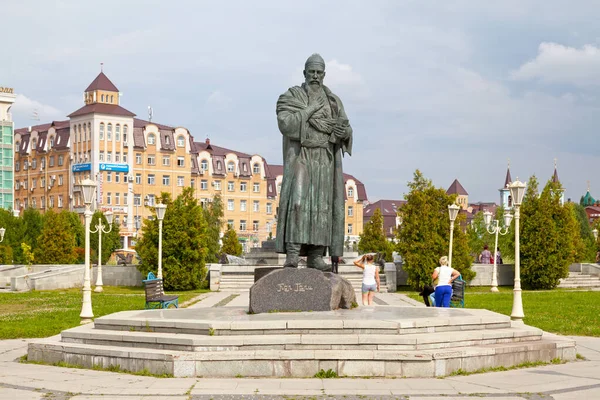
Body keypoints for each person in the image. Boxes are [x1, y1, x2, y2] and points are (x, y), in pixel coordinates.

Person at [275, 53, 353, 270]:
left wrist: (343, 132)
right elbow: (286, 124)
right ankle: (292, 253)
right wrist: (309, 110)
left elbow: (346, 128)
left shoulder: (333, 101)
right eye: (312, 72)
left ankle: (316, 257)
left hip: (324, 160)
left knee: (322, 207)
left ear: (324, 74)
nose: (316, 76)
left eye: (319, 72)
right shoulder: (292, 96)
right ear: (305, 73)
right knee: (298, 202)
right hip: (302, 157)